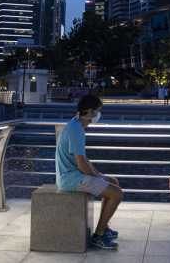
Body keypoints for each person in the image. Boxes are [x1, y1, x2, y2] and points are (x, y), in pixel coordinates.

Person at [55, 93, 123, 249]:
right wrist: (99, 178)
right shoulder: (77, 131)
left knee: (113, 182)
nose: (99, 114)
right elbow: (82, 165)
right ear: (90, 112)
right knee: (117, 193)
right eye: (98, 111)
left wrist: (100, 176)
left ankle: (103, 227)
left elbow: (84, 160)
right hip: (70, 179)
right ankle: (97, 236)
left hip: (72, 175)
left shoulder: (74, 124)